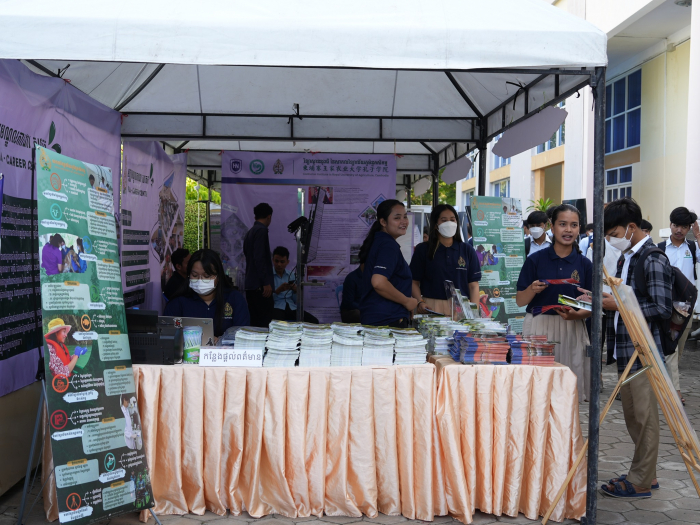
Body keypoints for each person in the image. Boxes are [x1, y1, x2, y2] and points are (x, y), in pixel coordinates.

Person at [599, 197, 673, 499]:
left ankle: (642, 479)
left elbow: (662, 308)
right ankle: (645, 473)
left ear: (631, 227)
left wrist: (618, 304)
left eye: (614, 234)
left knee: (644, 418)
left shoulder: (652, 258)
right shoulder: (625, 257)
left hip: (643, 352)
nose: (611, 240)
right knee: (633, 417)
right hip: (626, 349)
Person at [516, 204, 592, 401]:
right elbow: (520, 301)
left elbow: (591, 305)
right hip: (538, 328)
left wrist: (577, 314)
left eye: (574, 225)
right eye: (562, 224)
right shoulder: (535, 260)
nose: (568, 230)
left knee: (568, 392)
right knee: (537, 390)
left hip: (572, 328)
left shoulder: (585, 264)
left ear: (579, 228)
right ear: (552, 226)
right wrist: (532, 289)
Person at [658, 207, 700, 404]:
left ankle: (665, 384)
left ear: (689, 228)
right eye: (676, 225)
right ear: (670, 225)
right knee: (671, 349)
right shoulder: (660, 248)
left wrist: (698, 237)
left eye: (684, 227)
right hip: (665, 306)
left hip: (686, 308)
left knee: (678, 349)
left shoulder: (692, 247)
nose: (679, 230)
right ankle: (675, 392)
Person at [410, 204, 481, 316]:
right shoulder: (423, 249)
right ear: (435, 224)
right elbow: (413, 282)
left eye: (452, 220)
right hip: (431, 307)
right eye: (444, 220)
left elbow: (473, 285)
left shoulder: (467, 250)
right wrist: (420, 301)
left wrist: (474, 313)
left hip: (462, 308)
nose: (449, 223)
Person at [164, 249, 250, 337]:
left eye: (207, 276)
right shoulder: (178, 303)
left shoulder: (235, 299)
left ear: (218, 276)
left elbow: (243, 336)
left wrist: (221, 340)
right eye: (195, 275)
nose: (200, 280)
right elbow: (167, 337)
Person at [359, 199, 417, 327]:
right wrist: (406, 301)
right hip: (387, 321)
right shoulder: (388, 245)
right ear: (383, 222)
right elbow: (378, 282)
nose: (403, 221)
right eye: (397, 218)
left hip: (379, 318)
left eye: (405, 217)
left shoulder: (380, 241)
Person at [243, 203, 274, 327]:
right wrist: (265, 282)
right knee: (264, 323)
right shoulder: (261, 231)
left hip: (251, 286)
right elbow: (259, 258)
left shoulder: (250, 232)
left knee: (255, 323)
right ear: (269, 217)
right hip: (260, 287)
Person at [270, 246, 319, 323]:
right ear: (272, 260)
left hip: (291, 307)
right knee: (278, 325)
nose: (279, 264)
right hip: (276, 307)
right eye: (276, 261)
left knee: (314, 321)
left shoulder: (292, 275)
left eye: (282, 262)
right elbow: (265, 300)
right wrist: (278, 290)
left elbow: (295, 300)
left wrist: (296, 290)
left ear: (287, 262)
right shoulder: (268, 276)